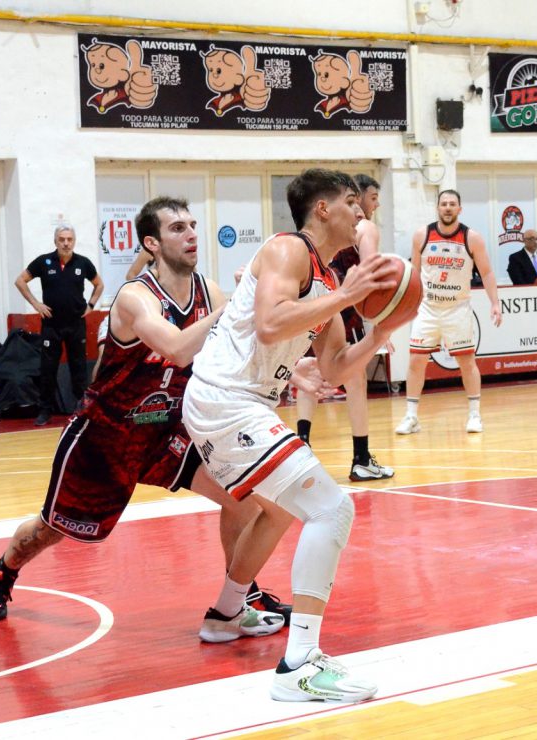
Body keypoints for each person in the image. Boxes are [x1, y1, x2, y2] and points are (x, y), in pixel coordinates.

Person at [0, 197, 300, 640]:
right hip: (106, 436)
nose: (190, 235)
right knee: (49, 531)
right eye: (177, 229)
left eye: (192, 226)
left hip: (169, 432)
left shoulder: (211, 292)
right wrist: (238, 302)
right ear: (151, 242)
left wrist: (295, 366)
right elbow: (177, 348)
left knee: (242, 502)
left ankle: (239, 595)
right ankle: (4, 572)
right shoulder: (135, 297)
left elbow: (242, 347)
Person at [184, 169, 402, 703]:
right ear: (323, 209)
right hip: (225, 400)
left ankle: (225, 613)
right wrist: (345, 298)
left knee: (281, 510)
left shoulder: (328, 281)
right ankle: (300, 665)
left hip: (239, 405)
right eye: (353, 203)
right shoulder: (288, 248)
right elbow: (269, 324)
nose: (363, 214)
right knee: (332, 509)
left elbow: (333, 370)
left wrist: (380, 332)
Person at [294, 174, 394, 482]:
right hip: (343, 302)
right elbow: (370, 272)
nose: (374, 205)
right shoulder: (365, 227)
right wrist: (380, 321)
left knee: (310, 373)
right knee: (355, 378)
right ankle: (361, 457)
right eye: (371, 198)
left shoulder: (312, 246)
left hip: (317, 298)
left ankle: (302, 446)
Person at [395, 189, 502, 436]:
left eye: (452, 204)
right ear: (437, 208)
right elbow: (414, 274)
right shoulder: (422, 235)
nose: (447, 208)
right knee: (416, 361)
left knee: (466, 362)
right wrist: (407, 305)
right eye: (443, 204)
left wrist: (495, 303)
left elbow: (486, 273)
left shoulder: (471, 238)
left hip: (457, 309)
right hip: (428, 308)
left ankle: (475, 415)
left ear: (459, 209)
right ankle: (411, 417)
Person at [15, 225, 104, 426]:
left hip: (75, 324)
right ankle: (45, 410)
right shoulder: (44, 261)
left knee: (79, 368)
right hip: (51, 325)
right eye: (62, 239)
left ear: (74, 241)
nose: (66, 243)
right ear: (55, 241)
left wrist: (91, 305)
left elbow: (99, 284)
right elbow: (20, 281)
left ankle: (82, 410)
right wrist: (36, 304)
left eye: (69, 239)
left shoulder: (83, 263)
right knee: (47, 369)